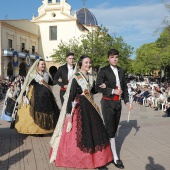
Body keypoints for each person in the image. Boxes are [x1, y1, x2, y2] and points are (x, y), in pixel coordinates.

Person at [50, 55, 113, 170]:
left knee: (95, 131)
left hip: (90, 106)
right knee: (83, 132)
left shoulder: (90, 76)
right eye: (86, 63)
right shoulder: (76, 77)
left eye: (89, 62)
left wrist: (101, 86)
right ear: (80, 64)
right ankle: (86, 159)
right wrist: (69, 112)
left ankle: (99, 160)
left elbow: (92, 90)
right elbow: (70, 95)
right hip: (79, 107)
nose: (88, 65)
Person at [96, 49, 132, 169]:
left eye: (116, 57)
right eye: (112, 57)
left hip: (118, 104)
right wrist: (112, 90)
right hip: (107, 103)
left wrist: (127, 101)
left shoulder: (121, 70)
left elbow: (124, 87)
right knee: (110, 130)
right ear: (108, 58)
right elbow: (97, 87)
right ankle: (113, 157)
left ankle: (109, 153)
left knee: (113, 130)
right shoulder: (103, 70)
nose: (114, 59)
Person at [13, 59, 60, 135]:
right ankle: (37, 131)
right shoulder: (33, 75)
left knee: (49, 112)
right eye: (42, 64)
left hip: (47, 98)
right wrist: (25, 95)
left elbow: (51, 83)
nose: (43, 66)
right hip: (36, 97)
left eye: (44, 64)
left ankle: (47, 128)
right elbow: (27, 85)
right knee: (37, 112)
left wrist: (58, 80)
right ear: (37, 65)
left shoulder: (46, 74)